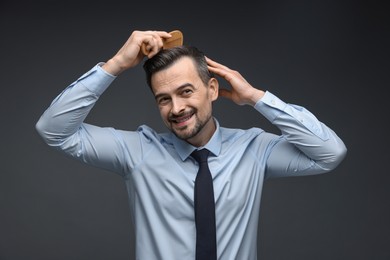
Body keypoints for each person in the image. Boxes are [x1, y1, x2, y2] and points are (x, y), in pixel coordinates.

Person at [35, 30, 347, 260]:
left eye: (186, 91)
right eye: (164, 99)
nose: (176, 108)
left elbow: (329, 153)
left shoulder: (255, 149)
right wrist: (116, 64)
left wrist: (255, 97)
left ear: (212, 89)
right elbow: (54, 130)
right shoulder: (137, 152)